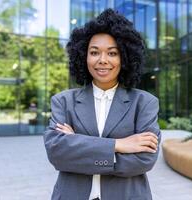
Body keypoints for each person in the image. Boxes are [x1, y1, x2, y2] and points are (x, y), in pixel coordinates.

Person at [43, 8, 160, 200]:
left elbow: (144, 159)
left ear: (125, 57)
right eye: (94, 52)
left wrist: (78, 147)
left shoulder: (145, 103)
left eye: (112, 53)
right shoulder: (63, 101)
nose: (102, 60)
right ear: (84, 56)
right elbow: (57, 153)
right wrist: (119, 145)